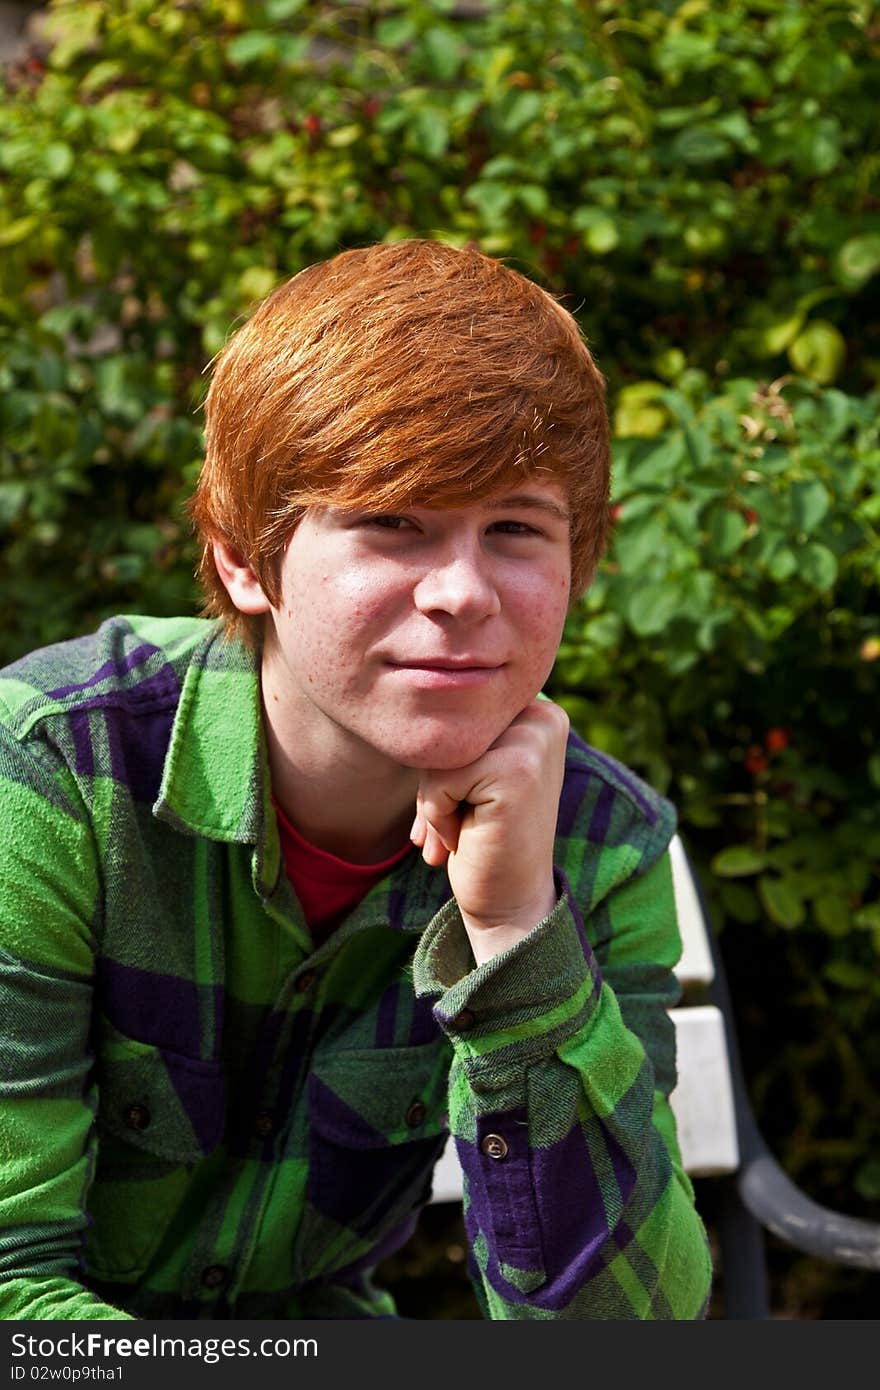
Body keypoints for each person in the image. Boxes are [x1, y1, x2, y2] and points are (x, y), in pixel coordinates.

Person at [0, 239, 712, 1320]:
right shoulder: (56, 776)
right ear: (247, 555)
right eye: (394, 523)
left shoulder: (594, 846)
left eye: (515, 528)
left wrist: (519, 939)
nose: (463, 592)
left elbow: (628, 1332)